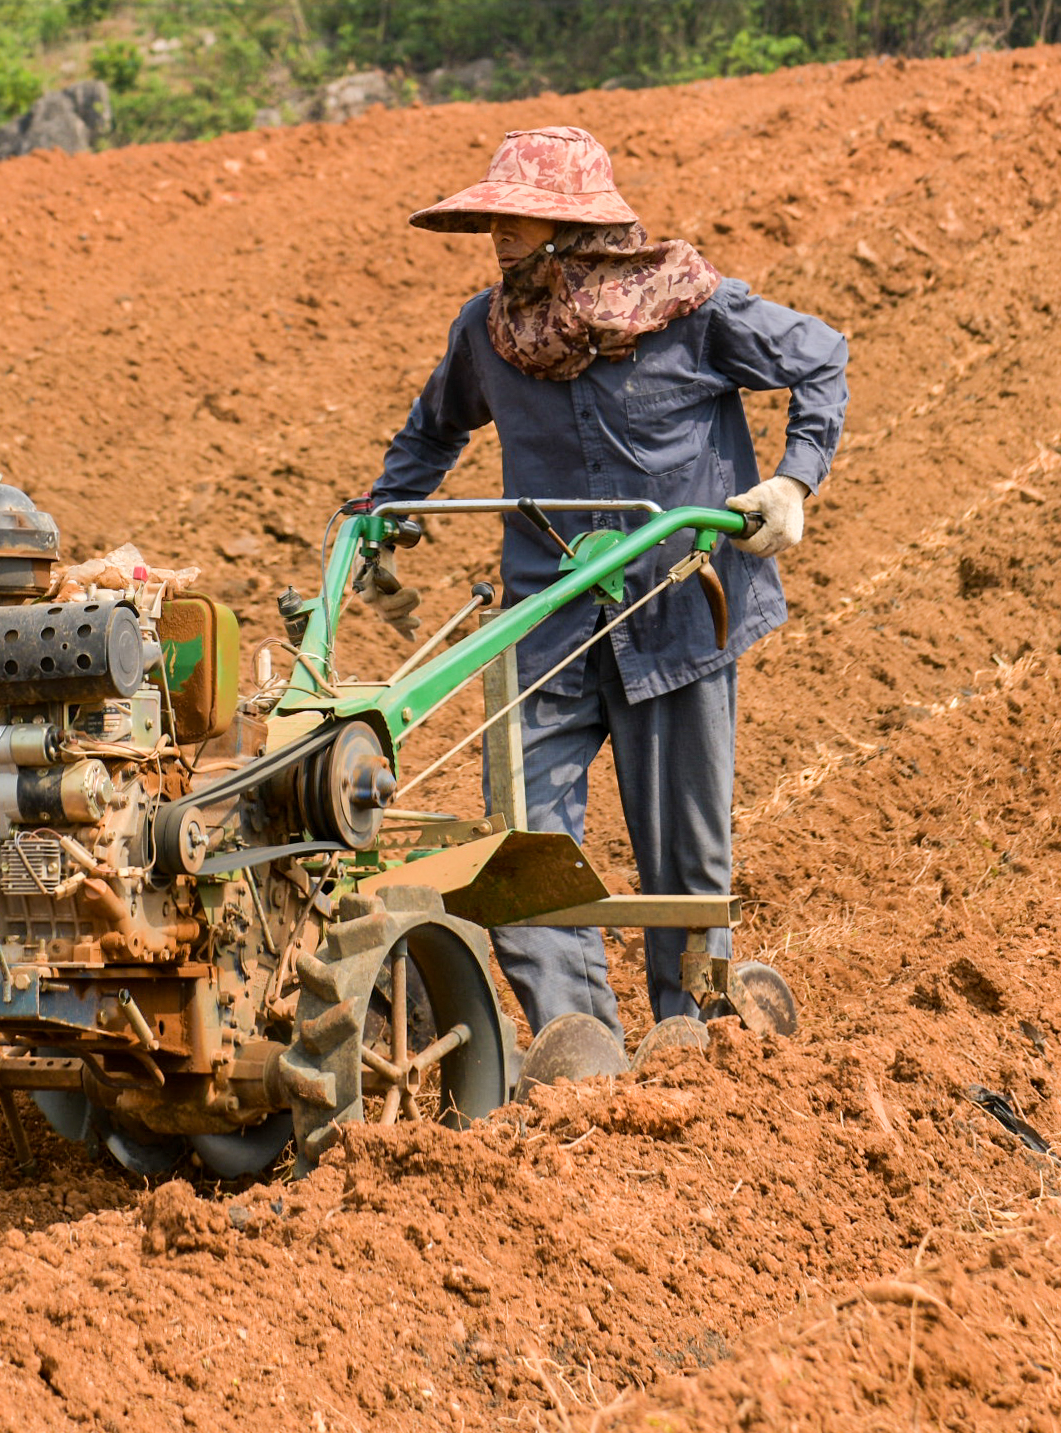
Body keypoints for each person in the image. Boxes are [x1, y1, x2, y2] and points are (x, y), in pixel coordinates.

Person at [359, 125, 847, 1055]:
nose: (499, 231)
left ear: (575, 231)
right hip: (548, 623)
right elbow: (431, 431)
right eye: (494, 215)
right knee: (519, 848)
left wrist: (794, 478)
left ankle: (692, 1035)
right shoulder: (490, 333)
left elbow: (821, 355)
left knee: (683, 859)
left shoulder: (691, 313)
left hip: (676, 613)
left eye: (519, 215)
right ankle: (581, 1044)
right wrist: (389, 512)